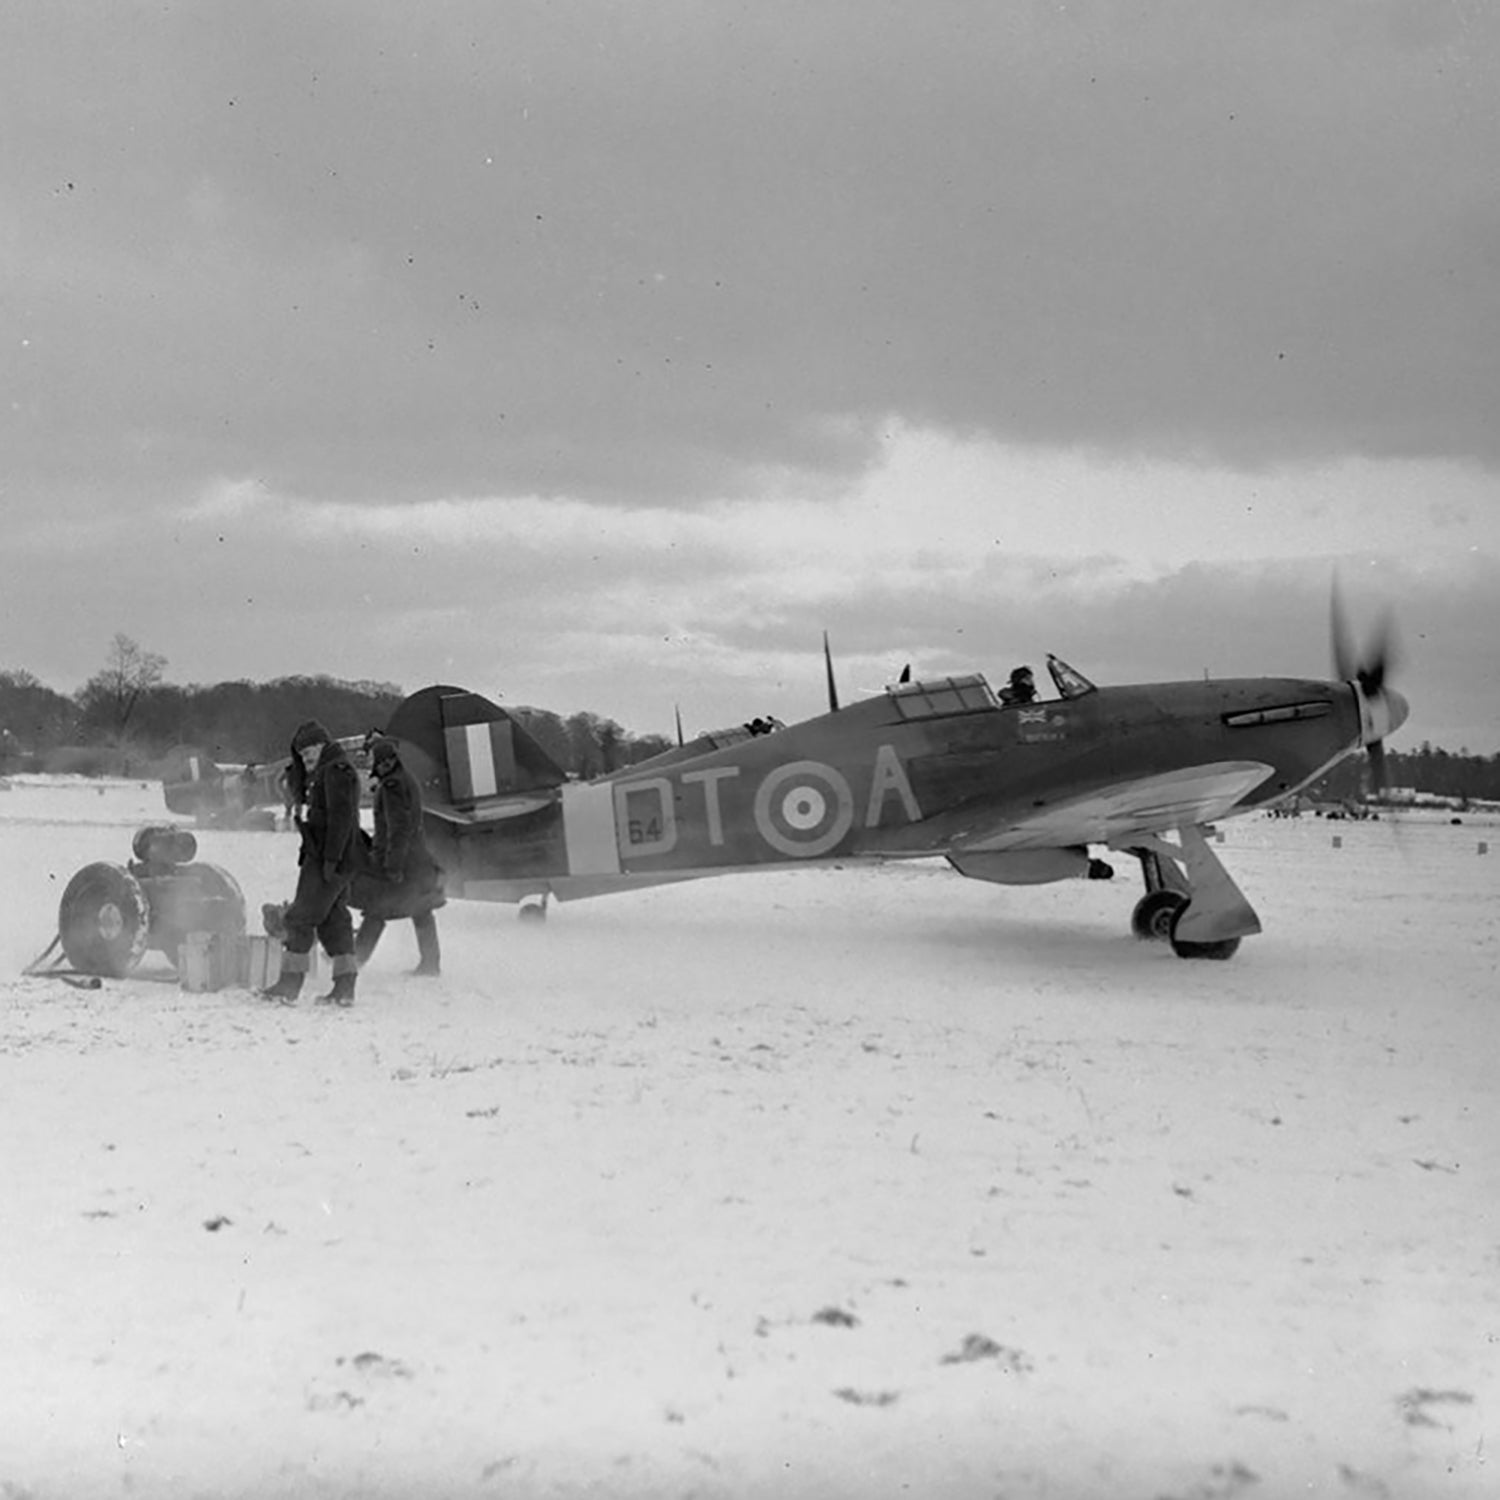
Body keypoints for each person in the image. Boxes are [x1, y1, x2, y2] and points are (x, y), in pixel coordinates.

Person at [260, 720, 363, 1006]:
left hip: (327, 858)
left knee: (299, 918)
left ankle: (289, 985)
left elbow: (341, 819)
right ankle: (345, 987)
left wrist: (330, 860)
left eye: (308, 752)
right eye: (301, 754)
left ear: (322, 745)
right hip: (332, 857)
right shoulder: (328, 769)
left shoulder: (335, 771)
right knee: (334, 921)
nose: (305, 758)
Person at [350, 735, 446, 977]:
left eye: (373, 759)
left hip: (402, 863)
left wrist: (392, 865)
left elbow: (399, 829)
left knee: (377, 909)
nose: (371, 764)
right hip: (416, 860)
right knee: (421, 909)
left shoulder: (392, 786)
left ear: (385, 762)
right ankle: (431, 964)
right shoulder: (404, 779)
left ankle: (354, 962)